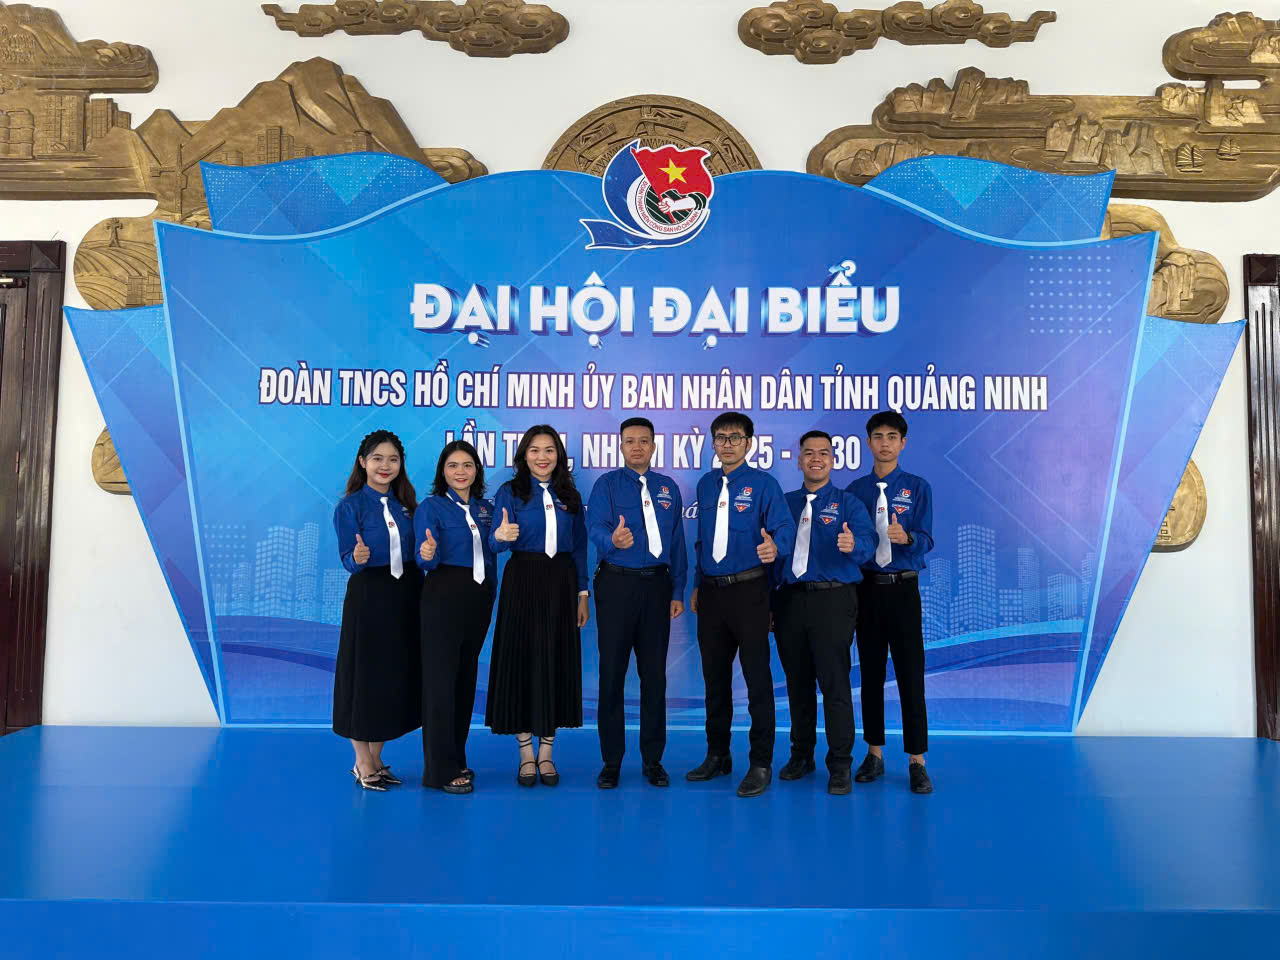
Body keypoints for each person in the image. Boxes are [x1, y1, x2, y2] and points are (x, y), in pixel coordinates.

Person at [687, 411, 795, 797]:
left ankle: (760, 762)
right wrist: (697, 584)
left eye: (735, 437)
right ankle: (717, 755)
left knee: (757, 680)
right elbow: (702, 541)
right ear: (713, 443)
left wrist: (775, 547)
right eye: (720, 437)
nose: (727, 444)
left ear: (749, 443)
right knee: (715, 680)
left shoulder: (764, 485)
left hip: (750, 592)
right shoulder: (705, 485)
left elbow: (785, 528)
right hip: (711, 593)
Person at [772, 430, 876, 795]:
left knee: (834, 683)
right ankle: (801, 755)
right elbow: (772, 556)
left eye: (823, 453)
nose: (816, 458)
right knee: (797, 683)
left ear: (833, 460)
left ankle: (840, 763)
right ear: (799, 460)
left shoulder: (848, 504)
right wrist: (769, 604)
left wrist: (854, 543)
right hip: (789, 600)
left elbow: (869, 543)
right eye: (809, 453)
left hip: (833, 600)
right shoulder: (783, 503)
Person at [587, 417, 688, 789]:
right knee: (612, 674)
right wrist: (612, 541)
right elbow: (595, 527)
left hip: (657, 587)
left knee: (654, 676)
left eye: (644, 441)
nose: (637, 447)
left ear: (653, 446)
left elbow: (677, 542)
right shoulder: (607, 485)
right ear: (621, 446)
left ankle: (652, 760)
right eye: (630, 441)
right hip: (616, 584)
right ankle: (611, 761)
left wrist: (677, 591)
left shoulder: (667, 487)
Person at [486, 426, 590, 787]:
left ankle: (546, 753)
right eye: (534, 450)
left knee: (554, 660)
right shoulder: (510, 492)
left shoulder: (570, 496)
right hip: (523, 580)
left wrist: (582, 594)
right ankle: (525, 754)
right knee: (523, 660)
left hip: (562, 582)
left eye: (549, 450)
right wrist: (499, 537)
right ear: (523, 456)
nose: (542, 457)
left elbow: (579, 547)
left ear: (558, 455)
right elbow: (495, 544)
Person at [847, 411, 935, 795]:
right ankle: (874, 753)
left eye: (892, 437)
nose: (885, 443)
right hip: (866, 589)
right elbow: (850, 543)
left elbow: (927, 538)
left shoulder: (917, 487)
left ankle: (917, 760)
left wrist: (908, 539)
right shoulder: (854, 491)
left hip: (903, 589)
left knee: (910, 674)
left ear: (903, 443)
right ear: (868, 443)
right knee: (870, 675)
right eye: (878, 436)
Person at [332, 429, 422, 791]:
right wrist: (356, 557)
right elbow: (346, 558)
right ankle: (362, 760)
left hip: (406, 595)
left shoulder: (407, 505)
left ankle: (378, 756)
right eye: (378, 459)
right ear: (362, 462)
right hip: (369, 595)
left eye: (393, 459)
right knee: (364, 677)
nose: (385, 466)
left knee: (391, 676)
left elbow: (419, 550)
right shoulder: (350, 506)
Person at [414, 440, 496, 795]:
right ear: (442, 472)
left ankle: (456, 758)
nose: (460, 472)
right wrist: (427, 552)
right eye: (452, 465)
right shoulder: (431, 507)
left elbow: (495, 548)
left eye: (467, 465)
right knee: (441, 684)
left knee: (464, 681)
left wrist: (503, 538)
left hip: (479, 597)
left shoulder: (486, 508)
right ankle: (438, 770)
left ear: (477, 470)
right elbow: (424, 559)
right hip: (444, 594)